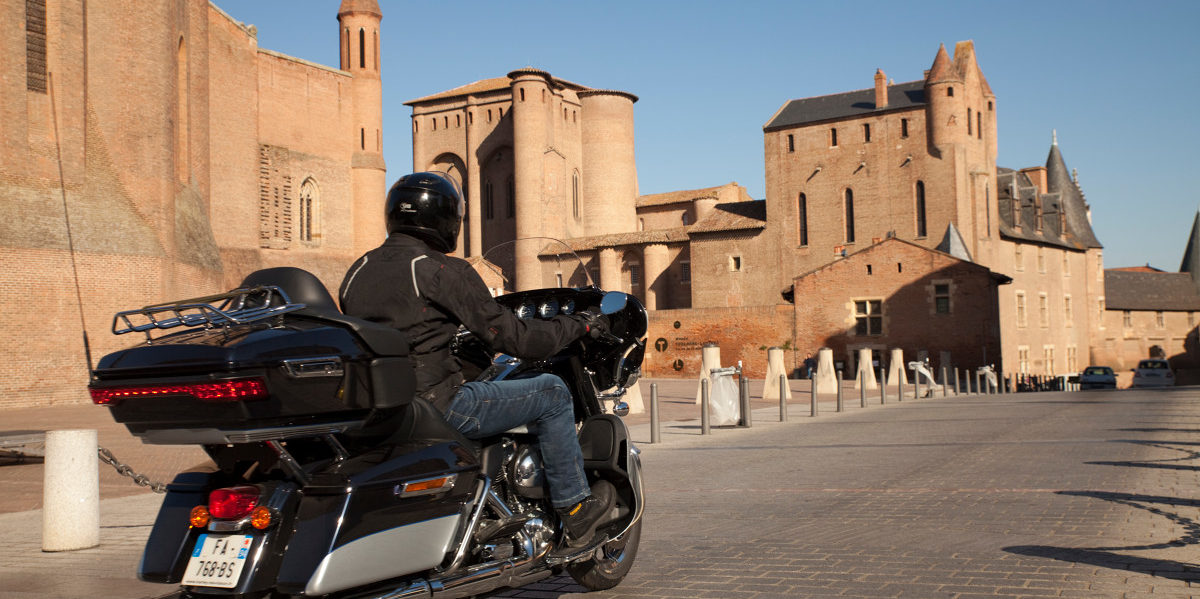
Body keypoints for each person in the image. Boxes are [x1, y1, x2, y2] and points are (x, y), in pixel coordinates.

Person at [339, 172, 614, 553]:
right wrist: (577, 325)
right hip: (440, 406)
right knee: (551, 391)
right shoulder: (440, 270)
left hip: (382, 408)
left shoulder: (357, 271)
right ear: (446, 219)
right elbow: (519, 340)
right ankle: (575, 509)